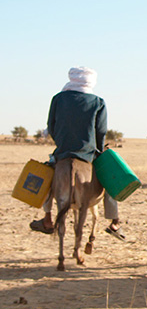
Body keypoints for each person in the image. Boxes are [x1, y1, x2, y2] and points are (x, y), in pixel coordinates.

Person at [29, 66, 125, 241]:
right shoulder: (98, 101)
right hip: (88, 153)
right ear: (91, 81)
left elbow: (51, 125)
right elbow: (101, 131)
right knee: (110, 178)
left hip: (63, 152)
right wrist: (98, 149)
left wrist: (61, 144)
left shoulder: (58, 99)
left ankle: (48, 217)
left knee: (47, 178)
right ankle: (114, 220)